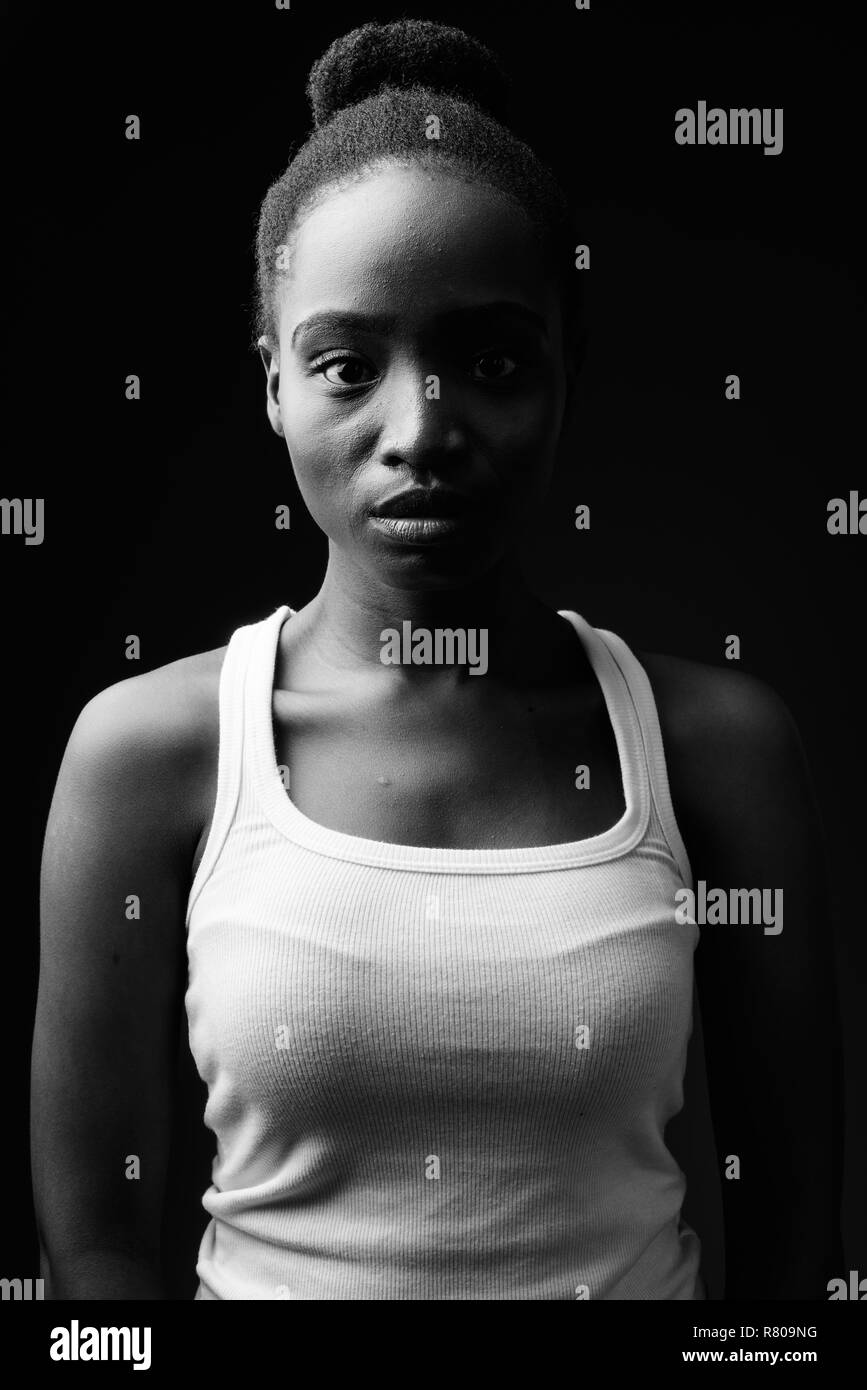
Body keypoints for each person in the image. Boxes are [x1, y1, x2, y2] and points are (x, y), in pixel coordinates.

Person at [31, 18, 842, 1300]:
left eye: (492, 361)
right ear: (272, 385)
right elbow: (91, 1260)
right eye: (349, 364)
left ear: (569, 373)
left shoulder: (718, 751)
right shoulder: (147, 752)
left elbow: (800, 1264)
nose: (423, 428)